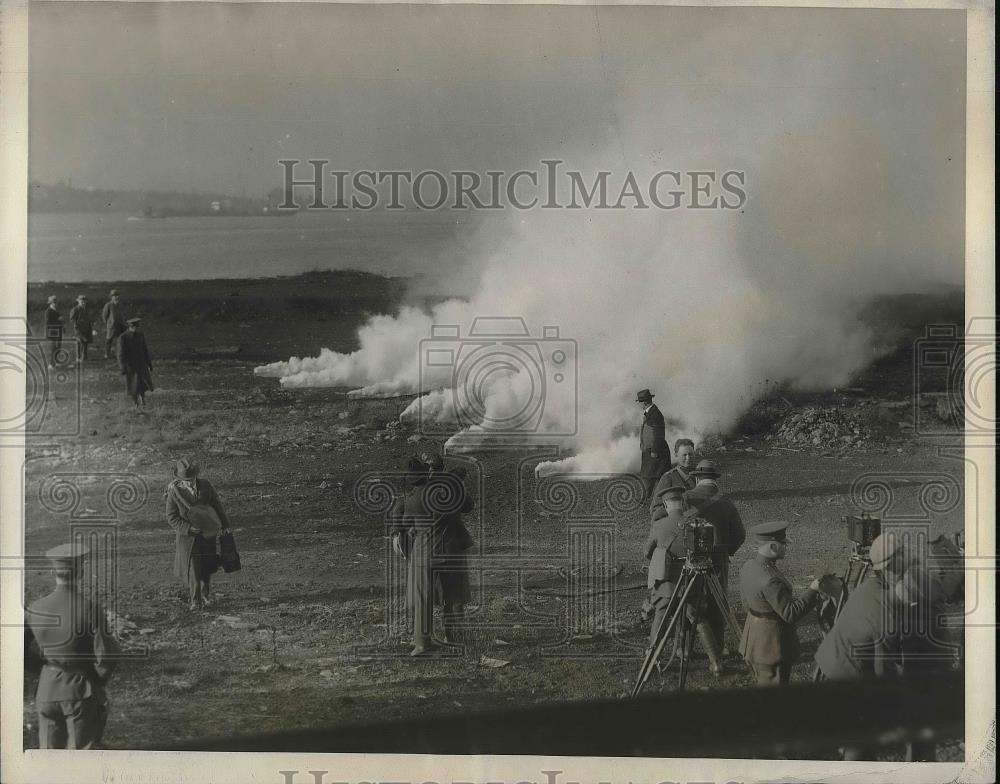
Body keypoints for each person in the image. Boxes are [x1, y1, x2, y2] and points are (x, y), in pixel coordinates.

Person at [24, 543, 119, 749]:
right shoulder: (90, 609)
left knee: (49, 762)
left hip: (46, 692)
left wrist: (42, 671)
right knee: (81, 760)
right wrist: (98, 681)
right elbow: (107, 655)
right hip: (80, 692)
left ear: (52, 572)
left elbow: (18, 650)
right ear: (81, 572)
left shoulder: (34, 609)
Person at [738, 521, 821, 686]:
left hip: (754, 638)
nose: (786, 547)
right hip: (771, 646)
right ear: (773, 547)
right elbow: (791, 613)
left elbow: (744, 602)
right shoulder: (770, 579)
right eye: (783, 544)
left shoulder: (748, 566)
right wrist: (813, 590)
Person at [685, 459, 746, 665]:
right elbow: (740, 533)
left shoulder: (687, 497)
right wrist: (727, 551)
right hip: (718, 558)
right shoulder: (726, 501)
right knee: (717, 602)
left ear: (696, 478)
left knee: (689, 601)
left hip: (691, 558)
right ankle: (718, 648)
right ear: (714, 480)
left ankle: (685, 649)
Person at [165, 458, 232, 610]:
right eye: (185, 480)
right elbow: (172, 517)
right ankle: (195, 600)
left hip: (208, 534)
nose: (189, 483)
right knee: (194, 568)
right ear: (179, 479)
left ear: (195, 476)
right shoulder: (174, 493)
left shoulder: (206, 486)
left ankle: (205, 596)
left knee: (208, 566)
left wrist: (225, 525)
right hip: (189, 538)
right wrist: (188, 528)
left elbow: (217, 505)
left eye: (191, 479)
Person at [426, 454, 475, 645]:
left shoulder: (421, 490)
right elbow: (469, 505)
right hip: (453, 547)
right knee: (455, 596)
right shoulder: (453, 487)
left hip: (430, 549)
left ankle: (428, 637)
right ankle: (456, 637)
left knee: (431, 595)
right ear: (441, 467)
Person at [643, 485, 697, 655]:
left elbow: (646, 552)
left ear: (666, 506)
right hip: (690, 580)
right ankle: (683, 649)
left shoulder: (659, 525)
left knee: (660, 614)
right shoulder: (694, 523)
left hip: (666, 582)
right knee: (688, 613)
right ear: (682, 503)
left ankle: (653, 653)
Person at [636, 389, 671, 502]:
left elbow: (659, 433)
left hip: (655, 450)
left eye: (640, 402)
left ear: (645, 402)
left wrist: (655, 450)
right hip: (649, 449)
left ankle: (656, 498)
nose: (639, 405)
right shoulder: (650, 412)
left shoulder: (655, 414)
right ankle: (647, 498)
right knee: (649, 474)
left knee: (654, 475)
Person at [649, 437, 697, 511]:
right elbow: (654, 508)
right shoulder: (668, 478)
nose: (688, 458)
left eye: (690, 454)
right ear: (676, 455)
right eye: (684, 455)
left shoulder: (700, 473)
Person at [117, 317, 154, 409]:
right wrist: (123, 368)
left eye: (137, 327)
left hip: (141, 364)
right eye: (133, 327)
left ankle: (143, 399)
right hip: (131, 366)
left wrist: (149, 363)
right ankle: (135, 403)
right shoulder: (123, 337)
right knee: (133, 386)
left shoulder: (140, 335)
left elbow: (145, 350)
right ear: (130, 327)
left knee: (142, 384)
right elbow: (120, 354)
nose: (135, 329)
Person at [101, 289, 126, 359]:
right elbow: (104, 315)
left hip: (120, 325)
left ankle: (119, 354)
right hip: (111, 327)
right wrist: (108, 324)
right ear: (111, 297)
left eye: (117, 295)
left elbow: (123, 314)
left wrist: (123, 322)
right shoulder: (108, 305)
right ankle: (106, 354)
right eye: (114, 296)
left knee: (120, 340)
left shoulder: (120, 305)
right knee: (109, 340)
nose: (116, 297)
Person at [69, 294, 94, 361]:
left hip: (86, 328)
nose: (83, 302)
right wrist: (76, 325)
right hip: (78, 329)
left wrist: (90, 326)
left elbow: (88, 319)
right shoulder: (75, 309)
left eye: (84, 301)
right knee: (80, 342)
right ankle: (78, 357)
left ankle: (84, 357)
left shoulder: (86, 309)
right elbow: (72, 319)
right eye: (81, 301)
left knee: (85, 342)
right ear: (78, 301)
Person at [44, 294, 64, 368]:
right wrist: (58, 320)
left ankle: (56, 362)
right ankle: (51, 364)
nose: (56, 304)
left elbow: (60, 321)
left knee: (58, 347)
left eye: (56, 302)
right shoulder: (48, 311)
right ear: (51, 303)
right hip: (53, 332)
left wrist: (62, 327)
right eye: (54, 302)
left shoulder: (56, 310)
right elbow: (48, 323)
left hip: (58, 332)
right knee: (54, 348)